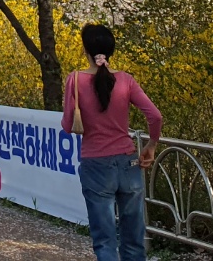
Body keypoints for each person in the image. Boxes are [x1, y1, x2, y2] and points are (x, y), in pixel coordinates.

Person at [62, 25, 162, 261]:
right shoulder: (126, 80)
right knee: (134, 240)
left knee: (105, 241)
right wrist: (151, 146)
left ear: (85, 49)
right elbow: (155, 116)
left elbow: (68, 125)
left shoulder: (75, 80)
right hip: (129, 162)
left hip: (95, 164)